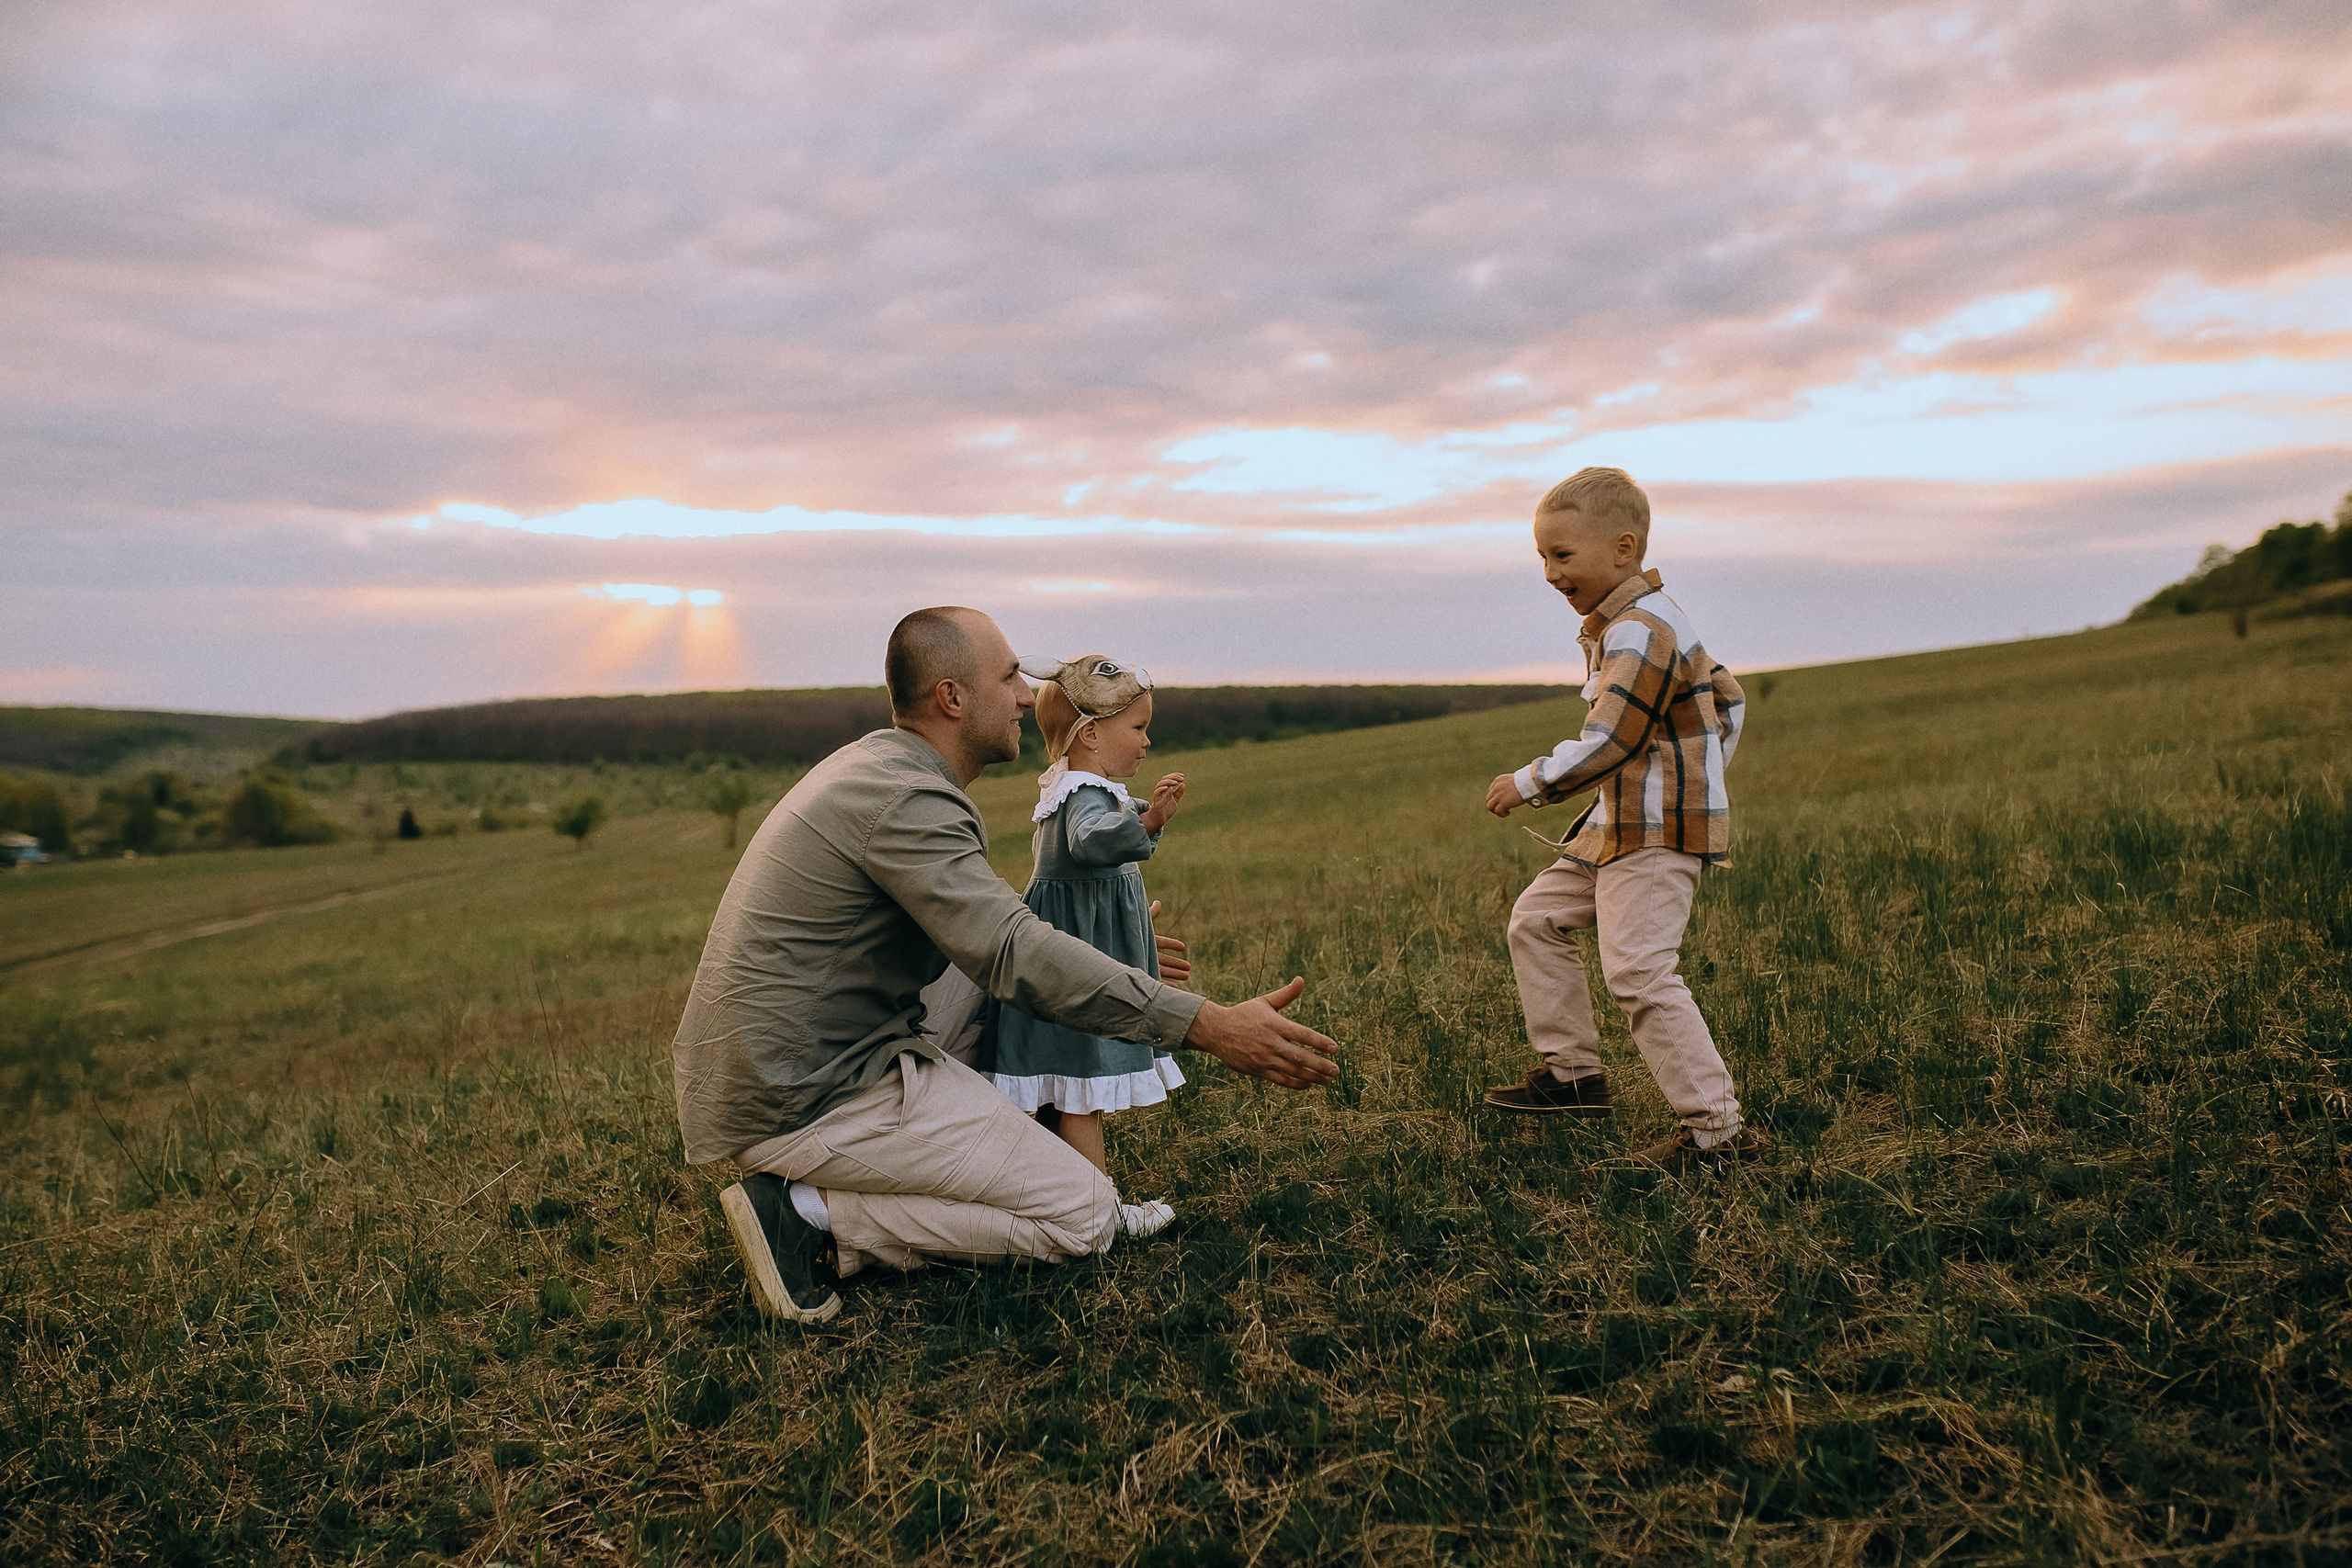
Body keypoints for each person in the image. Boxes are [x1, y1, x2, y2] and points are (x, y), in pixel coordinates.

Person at [670, 606, 1339, 1323]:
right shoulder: (908, 800)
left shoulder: (886, 768)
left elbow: (996, 933)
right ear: (952, 697)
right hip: (803, 1092)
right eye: (1010, 677)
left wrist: (1108, 948)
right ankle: (809, 1212)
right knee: (1086, 1215)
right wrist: (1207, 1024)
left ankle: (935, 1157)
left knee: (1030, 966)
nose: (1026, 696)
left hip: (805, 1055)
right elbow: (1015, 953)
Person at [1478, 468, 1763, 1171]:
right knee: (1536, 919)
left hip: (1654, 833)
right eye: (1542, 556)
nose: (1550, 572)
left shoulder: (1640, 629)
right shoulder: (1649, 621)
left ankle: (1720, 1133)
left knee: (1639, 971)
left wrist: (1527, 781)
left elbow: (1611, 740)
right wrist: (1702, 768)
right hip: (1617, 826)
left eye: (1562, 554)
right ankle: (1573, 1077)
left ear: (1623, 548)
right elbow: (1728, 699)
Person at [986, 653, 1188, 1234]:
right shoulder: (1080, 796)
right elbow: (1091, 841)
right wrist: (1148, 824)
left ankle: (1060, 1200)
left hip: (1067, 960)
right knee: (1080, 1090)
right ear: (1091, 735)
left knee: (1064, 1090)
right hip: (1071, 972)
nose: (1147, 742)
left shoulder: (1084, 789)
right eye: (1138, 727)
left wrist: (1147, 816)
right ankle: (1096, 1214)